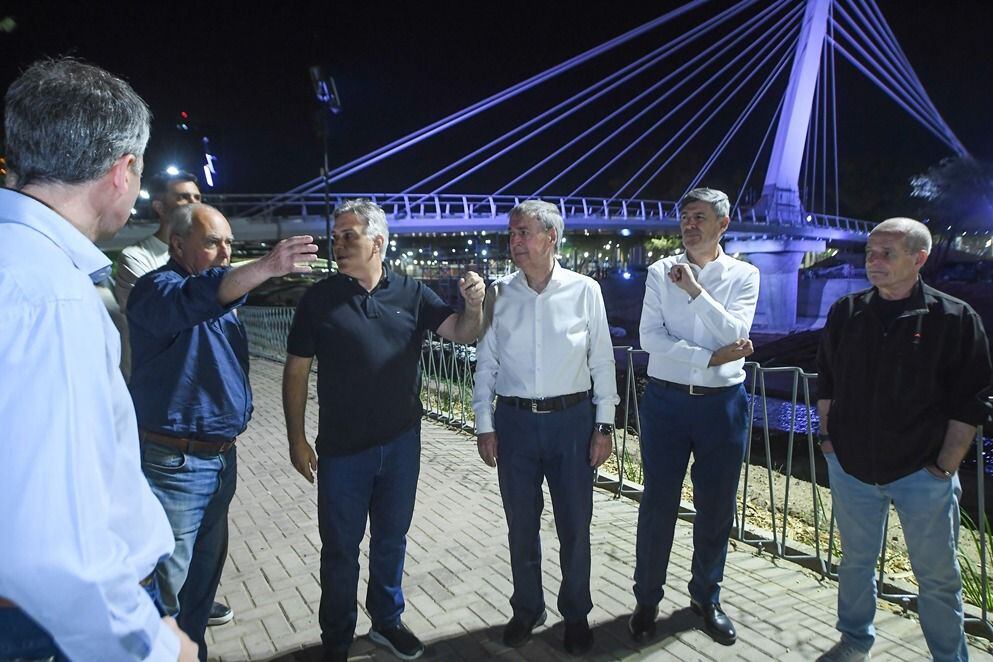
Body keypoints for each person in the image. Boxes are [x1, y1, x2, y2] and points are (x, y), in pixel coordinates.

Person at [0, 57, 198, 661]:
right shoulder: (52, 297)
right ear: (122, 171)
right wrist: (152, 646)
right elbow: (47, 544)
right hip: (51, 627)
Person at [283, 199, 484, 662]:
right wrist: (296, 438)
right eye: (335, 237)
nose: (338, 245)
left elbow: (461, 333)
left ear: (378, 241)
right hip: (341, 451)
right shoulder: (319, 299)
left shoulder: (412, 293)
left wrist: (475, 304)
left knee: (392, 539)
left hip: (400, 445)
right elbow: (295, 372)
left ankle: (387, 623)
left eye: (347, 236)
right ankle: (336, 638)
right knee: (340, 550)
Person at [128, 203, 317, 661]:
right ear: (177, 245)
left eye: (230, 243)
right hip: (177, 465)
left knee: (202, 579)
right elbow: (198, 298)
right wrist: (268, 265)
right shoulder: (157, 291)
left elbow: (220, 294)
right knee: (163, 588)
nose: (225, 253)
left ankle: (191, 652)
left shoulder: (219, 299)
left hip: (218, 461)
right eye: (213, 242)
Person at [815, 217, 992, 662]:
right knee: (855, 563)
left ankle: (949, 656)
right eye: (870, 252)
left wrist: (945, 466)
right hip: (852, 468)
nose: (873, 261)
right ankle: (855, 642)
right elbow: (828, 383)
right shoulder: (847, 312)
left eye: (886, 254)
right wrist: (829, 442)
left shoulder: (954, 319)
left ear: (919, 258)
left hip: (922, 474)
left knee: (937, 576)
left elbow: (970, 401)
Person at [472, 200, 620, 655]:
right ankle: (527, 607)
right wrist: (484, 423)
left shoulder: (584, 291)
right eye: (512, 234)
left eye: (523, 233)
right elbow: (487, 363)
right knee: (521, 523)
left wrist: (605, 424)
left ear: (551, 238)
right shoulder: (499, 294)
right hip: (514, 423)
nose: (514, 241)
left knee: (575, 524)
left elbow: (603, 360)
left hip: (572, 423)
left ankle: (575, 613)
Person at [628, 188, 759, 647]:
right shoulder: (659, 271)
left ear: (723, 224)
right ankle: (646, 600)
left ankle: (706, 598)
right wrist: (710, 357)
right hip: (665, 402)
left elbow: (737, 333)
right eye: (684, 216)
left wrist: (695, 291)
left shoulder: (745, 274)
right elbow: (649, 338)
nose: (689, 224)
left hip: (723, 405)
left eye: (699, 217)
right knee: (657, 504)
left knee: (716, 507)